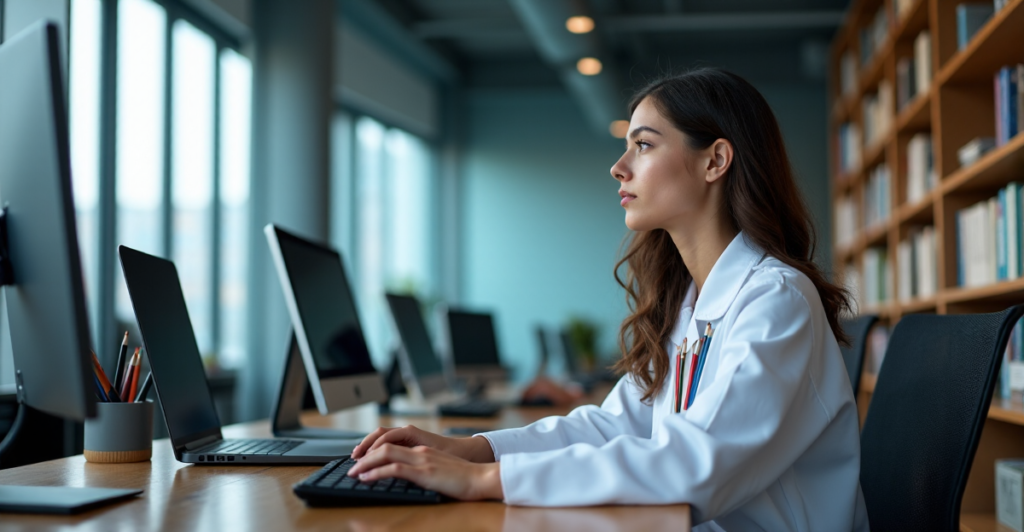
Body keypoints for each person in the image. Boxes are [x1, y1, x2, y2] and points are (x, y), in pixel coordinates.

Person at [346, 68, 868, 531]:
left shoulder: (776, 301)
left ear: (715, 161)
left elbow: (696, 466)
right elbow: (613, 425)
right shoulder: (690, 301)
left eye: (643, 145)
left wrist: (486, 480)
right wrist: (474, 450)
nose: (619, 167)